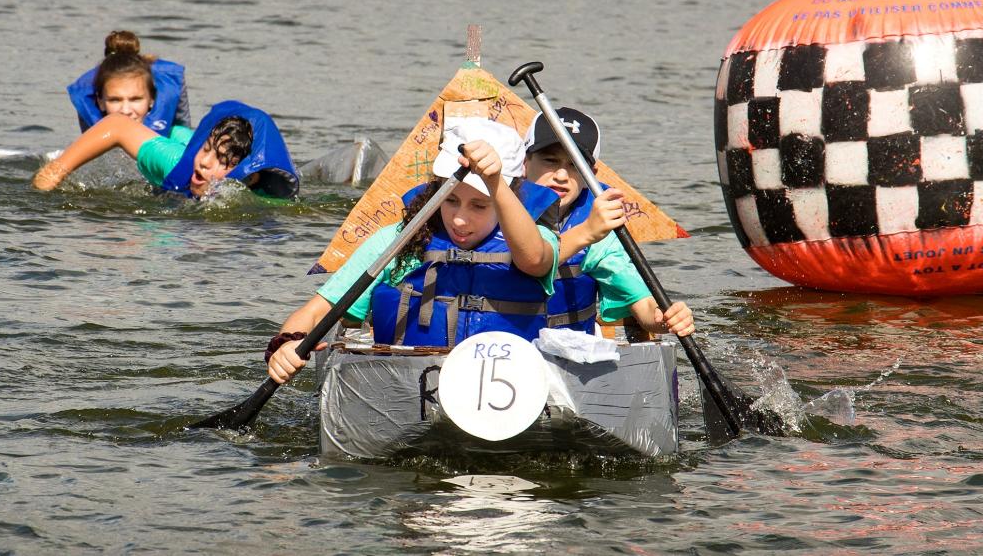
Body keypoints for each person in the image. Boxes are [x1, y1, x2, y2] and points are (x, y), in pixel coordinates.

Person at [265, 119, 561, 383]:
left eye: (480, 206)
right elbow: (317, 311)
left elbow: (534, 260)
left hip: (510, 389)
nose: (459, 219)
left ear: (509, 194)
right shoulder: (398, 240)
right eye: (451, 200)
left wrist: (494, 181)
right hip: (405, 386)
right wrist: (287, 344)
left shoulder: (538, 238)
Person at [522, 107, 695, 339]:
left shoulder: (602, 234)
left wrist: (664, 318)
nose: (561, 175)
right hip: (492, 352)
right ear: (524, 162)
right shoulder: (487, 209)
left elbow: (641, 304)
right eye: (550, 161)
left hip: (569, 357)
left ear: (591, 174)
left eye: (574, 164)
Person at [33, 100, 299, 199]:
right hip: (176, 141)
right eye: (205, 149)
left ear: (249, 177)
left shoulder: (262, 198)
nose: (204, 163)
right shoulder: (176, 163)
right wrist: (54, 173)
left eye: (221, 160)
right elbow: (117, 124)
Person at [67, 30, 191, 136]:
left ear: (152, 99)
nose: (125, 111)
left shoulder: (169, 84)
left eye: (135, 99)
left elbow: (184, 125)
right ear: (100, 102)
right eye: (115, 100)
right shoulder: (85, 94)